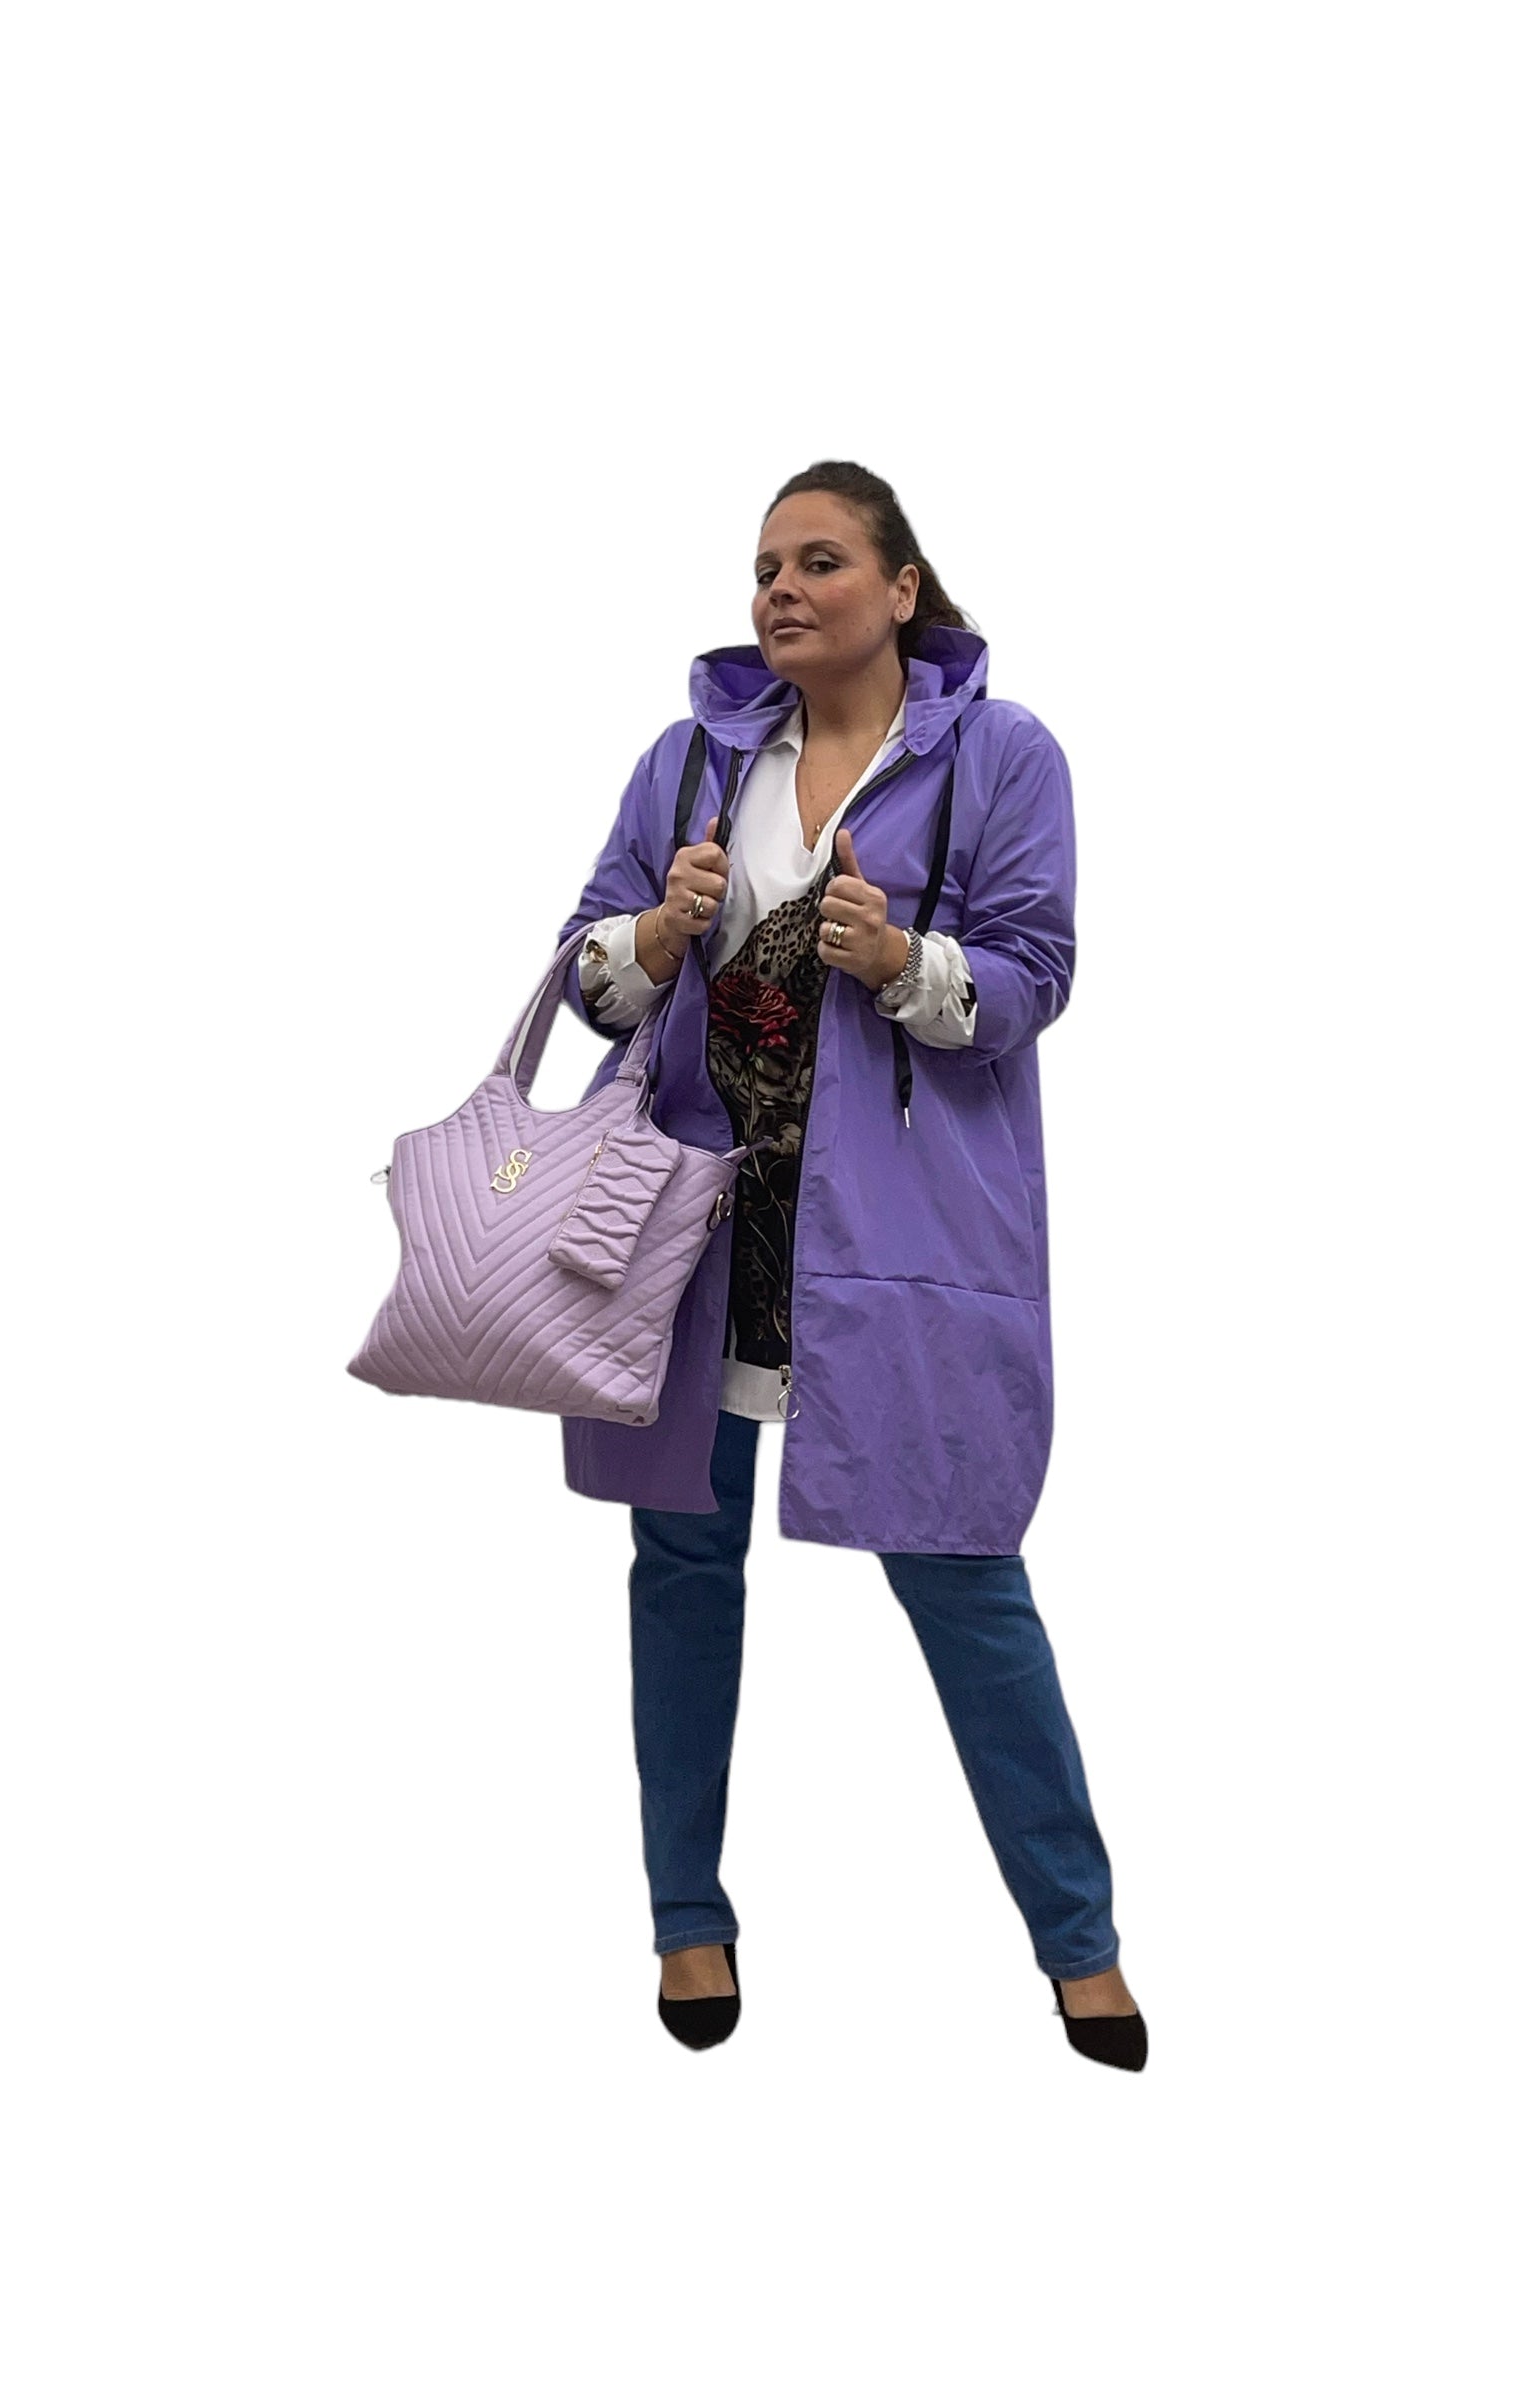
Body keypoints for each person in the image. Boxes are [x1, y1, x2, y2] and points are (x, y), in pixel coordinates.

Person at [553, 461, 1146, 2071]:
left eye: (820, 561)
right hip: (689, 1237)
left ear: (901, 588)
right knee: (681, 1571)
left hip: (895, 1245)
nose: (781, 590)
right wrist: (652, 939)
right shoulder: (689, 760)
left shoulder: (1001, 759)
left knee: (963, 1569)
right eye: (765, 568)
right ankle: (688, 1917)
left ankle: (1080, 1944)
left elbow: (1034, 975)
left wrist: (900, 960)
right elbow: (585, 974)